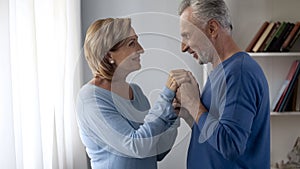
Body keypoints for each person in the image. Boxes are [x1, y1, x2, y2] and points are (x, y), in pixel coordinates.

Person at [76, 18, 189, 169]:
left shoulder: (136, 92)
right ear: (109, 55)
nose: (141, 49)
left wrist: (172, 116)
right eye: (131, 43)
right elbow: (136, 146)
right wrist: (166, 95)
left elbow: (157, 151)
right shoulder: (90, 98)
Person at [172, 0, 271, 168]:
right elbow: (215, 138)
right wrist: (190, 113)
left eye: (187, 36)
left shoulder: (239, 73)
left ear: (212, 29)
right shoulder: (221, 73)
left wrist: (194, 105)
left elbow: (231, 145)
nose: (183, 47)